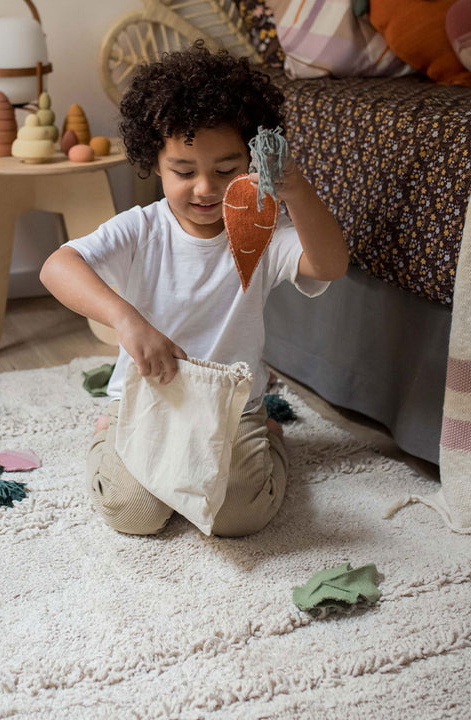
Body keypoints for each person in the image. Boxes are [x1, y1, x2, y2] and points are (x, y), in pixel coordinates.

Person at [40, 42, 348, 537]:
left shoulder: (262, 230)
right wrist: (127, 321)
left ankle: (270, 435)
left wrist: (296, 189)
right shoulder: (141, 229)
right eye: (184, 172)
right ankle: (108, 431)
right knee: (136, 515)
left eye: (226, 170)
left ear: (251, 160)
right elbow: (58, 266)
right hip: (147, 398)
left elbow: (330, 265)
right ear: (155, 164)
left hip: (233, 406)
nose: (205, 189)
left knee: (239, 517)